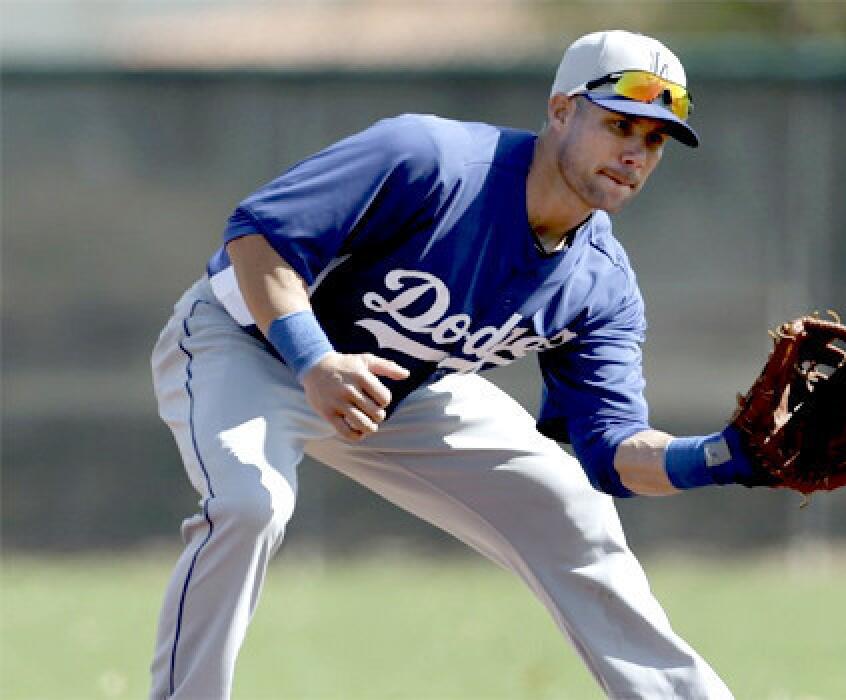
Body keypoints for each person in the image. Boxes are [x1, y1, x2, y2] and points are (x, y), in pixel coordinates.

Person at [149, 29, 759, 699]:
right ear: (561, 110)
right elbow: (257, 238)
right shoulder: (430, 158)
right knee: (249, 504)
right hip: (251, 343)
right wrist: (314, 361)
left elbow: (612, 451)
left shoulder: (601, 285)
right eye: (620, 124)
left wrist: (718, 457)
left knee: (571, 508)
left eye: (654, 140)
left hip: (401, 392)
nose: (635, 152)